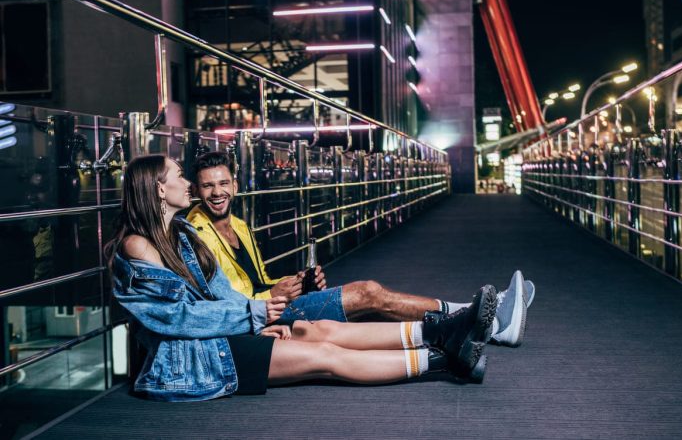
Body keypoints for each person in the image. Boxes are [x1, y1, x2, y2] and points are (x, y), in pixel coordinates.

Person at [107, 154, 499, 401]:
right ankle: (444, 359)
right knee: (325, 355)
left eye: (219, 182)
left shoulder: (183, 234)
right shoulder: (139, 247)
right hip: (191, 361)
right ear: (159, 188)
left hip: (221, 336)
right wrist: (254, 316)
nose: (190, 184)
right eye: (180, 175)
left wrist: (254, 322)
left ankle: (442, 331)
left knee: (319, 330)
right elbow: (176, 319)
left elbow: (218, 293)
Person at [187, 151, 534, 347]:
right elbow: (218, 298)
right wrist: (272, 297)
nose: (217, 193)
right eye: (207, 186)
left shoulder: (242, 226)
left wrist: (296, 283)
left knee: (372, 302)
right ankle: (486, 317)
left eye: (223, 183)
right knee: (369, 292)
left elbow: (258, 280)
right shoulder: (194, 231)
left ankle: (486, 319)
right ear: (196, 190)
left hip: (275, 303)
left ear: (234, 184)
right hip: (258, 318)